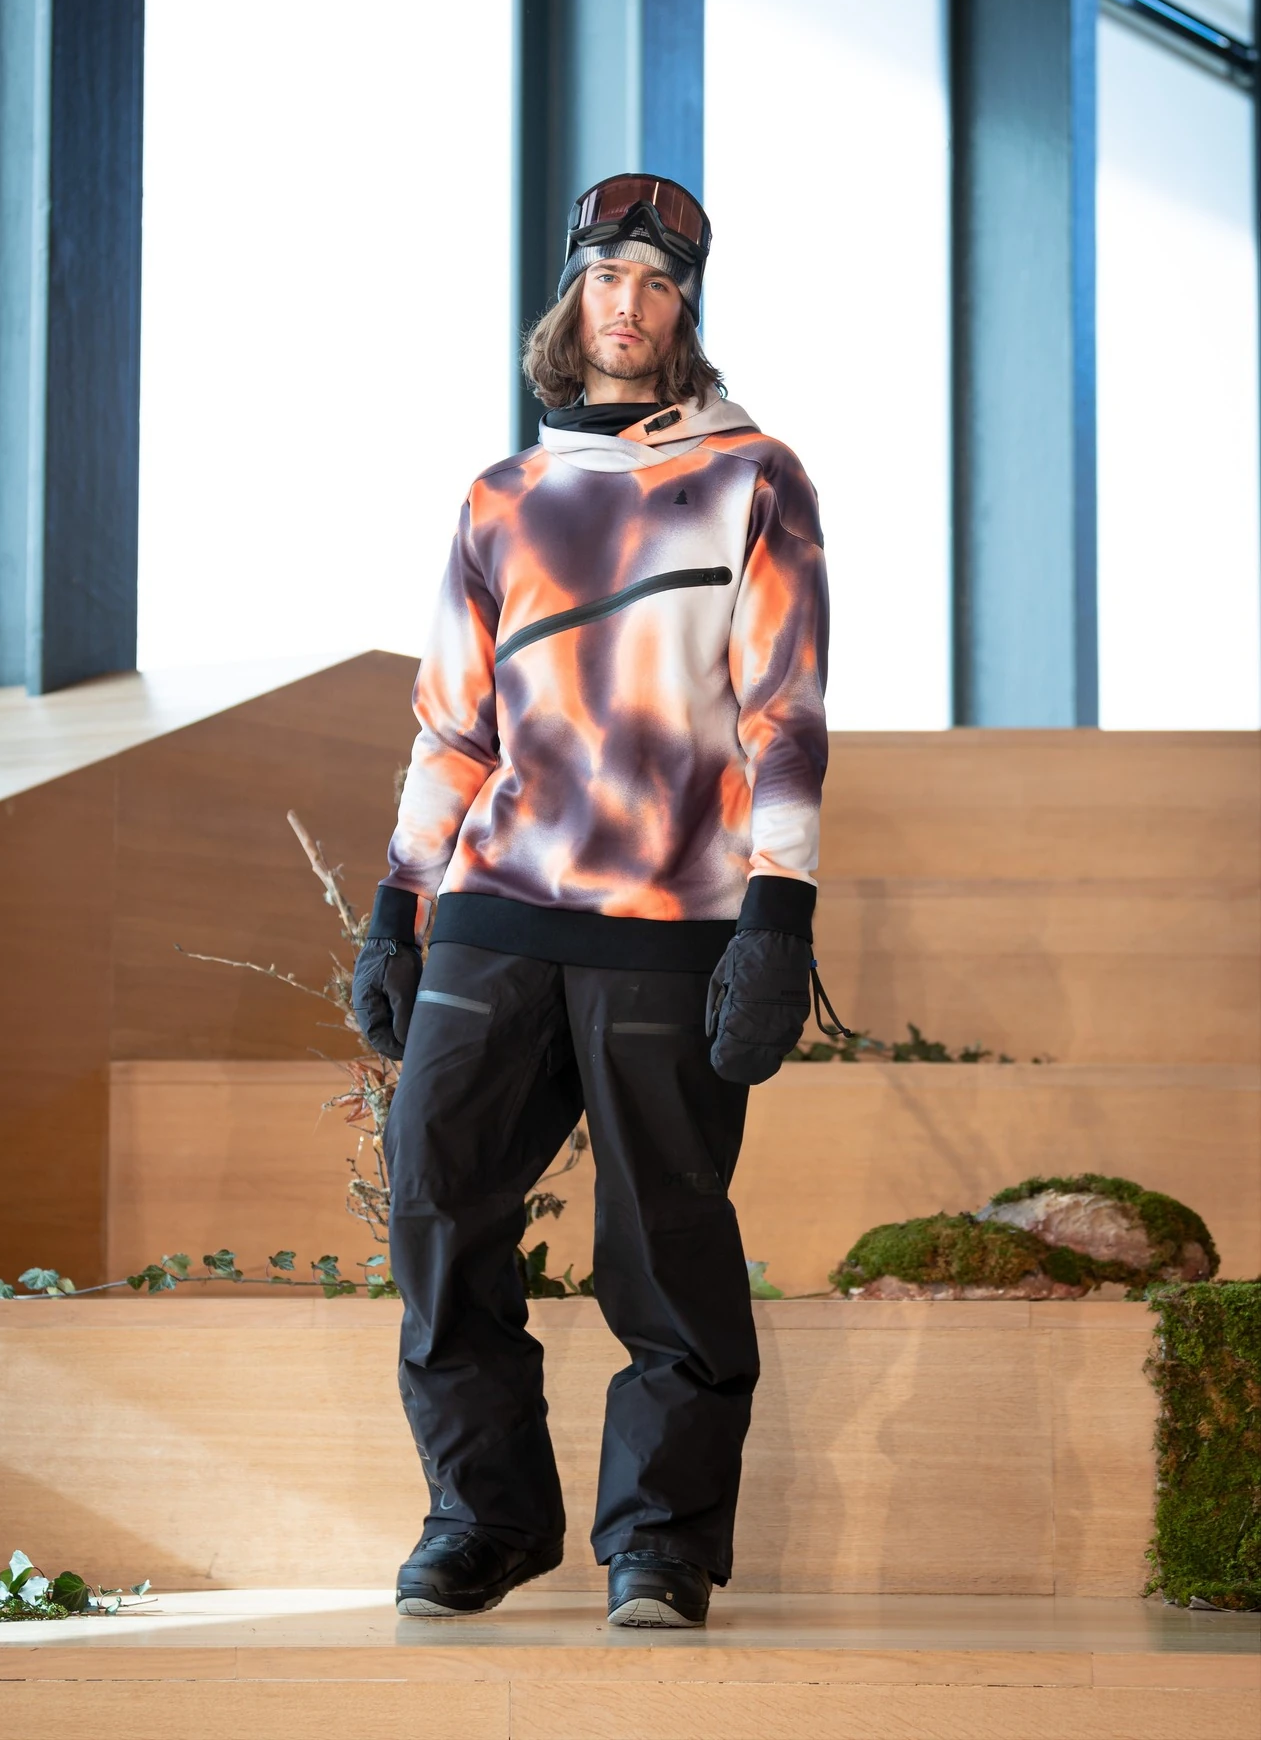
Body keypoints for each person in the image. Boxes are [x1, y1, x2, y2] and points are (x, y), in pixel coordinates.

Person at [353, 172, 843, 1629]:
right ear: (574, 297)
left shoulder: (755, 477)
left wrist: (780, 913)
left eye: (658, 283)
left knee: (664, 1236)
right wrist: (397, 900)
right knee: (437, 1200)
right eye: (606, 277)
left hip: (670, 922)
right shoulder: (502, 498)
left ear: (686, 310)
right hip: (496, 903)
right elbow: (453, 725)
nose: (627, 306)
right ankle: (485, 1517)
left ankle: (662, 1545)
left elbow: (784, 715)